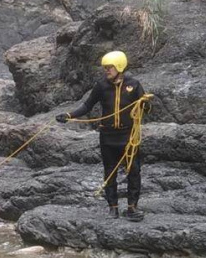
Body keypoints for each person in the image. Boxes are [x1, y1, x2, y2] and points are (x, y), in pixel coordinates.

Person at [56, 50, 150, 222]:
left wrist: (145, 103)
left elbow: (146, 108)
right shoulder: (101, 86)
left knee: (134, 171)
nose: (106, 70)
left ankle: (132, 208)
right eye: (105, 67)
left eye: (109, 67)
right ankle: (113, 207)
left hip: (128, 136)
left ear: (119, 67)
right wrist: (69, 115)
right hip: (107, 136)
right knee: (109, 172)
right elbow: (87, 106)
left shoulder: (134, 84)